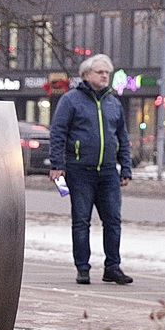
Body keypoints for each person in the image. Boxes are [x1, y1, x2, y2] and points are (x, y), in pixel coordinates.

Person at [49, 54, 133, 286]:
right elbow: (58, 133)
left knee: (113, 221)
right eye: (100, 72)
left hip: (108, 172)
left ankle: (112, 267)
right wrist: (58, 165)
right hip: (79, 171)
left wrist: (126, 167)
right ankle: (83, 268)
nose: (105, 76)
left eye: (107, 72)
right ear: (86, 75)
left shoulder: (113, 103)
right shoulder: (71, 100)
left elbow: (122, 138)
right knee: (81, 221)